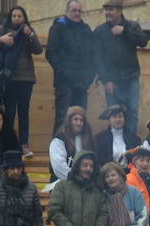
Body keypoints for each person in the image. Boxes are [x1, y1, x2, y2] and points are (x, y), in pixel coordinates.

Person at [0, 7, 42, 160]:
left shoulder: (27, 30)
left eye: (19, 16)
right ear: (10, 17)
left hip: (26, 78)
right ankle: (9, 143)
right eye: (14, 16)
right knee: (9, 113)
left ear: (24, 18)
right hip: (8, 78)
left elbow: (38, 50)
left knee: (24, 113)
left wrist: (31, 35)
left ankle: (24, 145)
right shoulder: (3, 30)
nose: (16, 18)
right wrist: (0, 40)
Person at [48, 150, 106, 226]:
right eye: (85, 165)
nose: (88, 169)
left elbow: (103, 214)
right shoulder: (62, 186)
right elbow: (54, 210)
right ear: (77, 166)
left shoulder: (98, 191)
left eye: (91, 166)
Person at [93, 1, 145, 125]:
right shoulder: (100, 31)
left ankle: (131, 143)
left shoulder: (131, 26)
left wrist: (125, 31)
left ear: (119, 11)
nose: (107, 13)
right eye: (105, 10)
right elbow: (97, 58)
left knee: (132, 112)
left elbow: (143, 41)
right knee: (114, 113)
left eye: (110, 10)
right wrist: (105, 80)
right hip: (112, 80)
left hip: (131, 77)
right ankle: (117, 144)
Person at [45, 0, 93, 136]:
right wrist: (63, 72)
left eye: (79, 11)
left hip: (82, 84)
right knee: (62, 118)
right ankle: (58, 153)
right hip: (64, 84)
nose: (77, 13)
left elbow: (93, 54)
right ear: (67, 11)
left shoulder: (86, 30)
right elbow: (50, 53)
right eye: (74, 10)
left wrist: (89, 78)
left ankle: (79, 154)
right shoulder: (57, 28)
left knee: (80, 119)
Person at [49, 106, 93, 183]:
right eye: (75, 119)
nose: (79, 123)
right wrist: (75, 178)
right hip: (62, 184)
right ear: (69, 121)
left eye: (81, 120)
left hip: (84, 184)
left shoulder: (88, 140)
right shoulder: (59, 139)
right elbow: (58, 167)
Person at [92, 104, 139, 169]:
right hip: (108, 175)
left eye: (120, 116)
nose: (118, 119)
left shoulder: (134, 139)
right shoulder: (100, 139)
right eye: (114, 117)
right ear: (109, 120)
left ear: (124, 119)